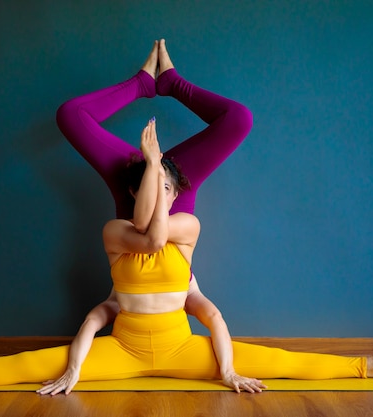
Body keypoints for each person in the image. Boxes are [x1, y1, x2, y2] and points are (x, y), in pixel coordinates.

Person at [0, 116, 373, 394]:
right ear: (134, 195)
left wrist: (226, 370)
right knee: (36, 365)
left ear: (176, 197)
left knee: (276, 361)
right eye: (148, 187)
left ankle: (372, 368)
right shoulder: (115, 231)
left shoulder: (187, 227)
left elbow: (211, 312)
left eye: (165, 188)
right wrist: (74, 367)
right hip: (124, 350)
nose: (158, 195)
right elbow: (119, 279)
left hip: (183, 348)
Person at [53, 39, 262, 393]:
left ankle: (155, 84)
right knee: (239, 119)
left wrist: (155, 165)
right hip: (148, 179)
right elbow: (152, 234)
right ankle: (163, 83)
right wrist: (152, 166)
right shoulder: (180, 234)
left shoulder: (131, 237)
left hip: (159, 177)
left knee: (70, 116)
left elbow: (146, 231)